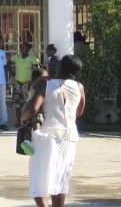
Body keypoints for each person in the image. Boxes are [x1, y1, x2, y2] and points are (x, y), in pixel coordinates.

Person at [22, 54, 86, 207]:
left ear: (60, 67)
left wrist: (22, 118)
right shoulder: (79, 87)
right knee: (60, 180)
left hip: (45, 136)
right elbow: (79, 112)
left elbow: (32, 108)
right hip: (69, 138)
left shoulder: (47, 85)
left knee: (39, 180)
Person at [11, 42, 41, 127]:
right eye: (20, 47)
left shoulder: (32, 59)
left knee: (26, 103)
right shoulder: (16, 57)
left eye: (23, 47)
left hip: (27, 84)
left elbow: (37, 70)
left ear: (28, 49)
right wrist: (13, 73)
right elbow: (8, 63)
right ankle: (18, 121)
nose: (21, 49)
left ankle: (25, 120)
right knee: (17, 104)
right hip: (17, 83)